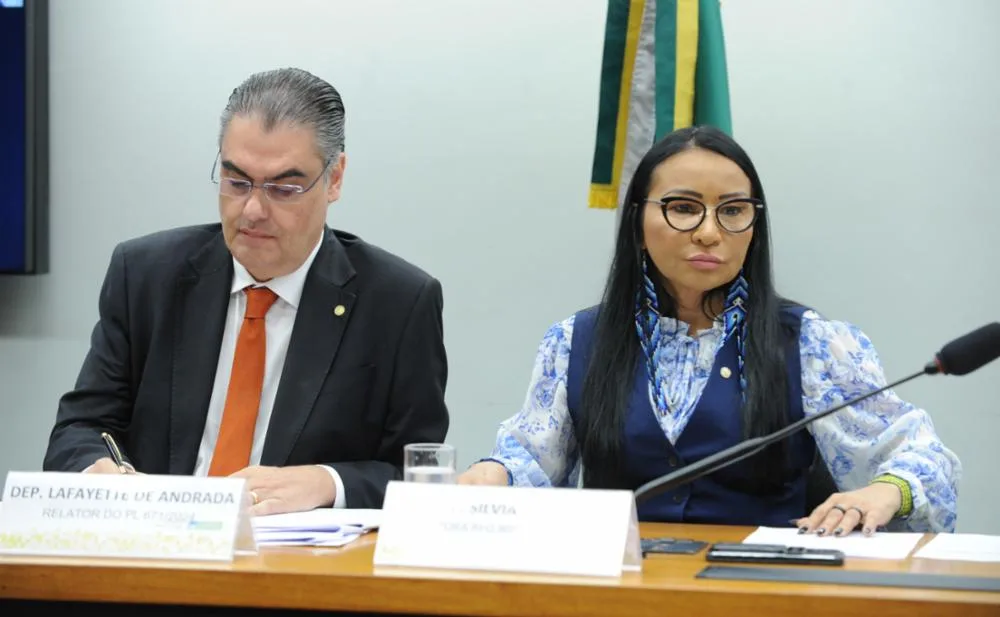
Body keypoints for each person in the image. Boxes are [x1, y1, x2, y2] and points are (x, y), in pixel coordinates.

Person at [458, 125, 960, 535]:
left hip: (763, 595)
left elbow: (920, 454)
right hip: (615, 589)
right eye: (683, 207)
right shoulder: (575, 341)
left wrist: (883, 491)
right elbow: (529, 461)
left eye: (733, 211)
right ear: (637, 222)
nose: (709, 232)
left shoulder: (811, 344)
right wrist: (492, 476)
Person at [43, 67, 449, 514]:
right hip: (156, 554)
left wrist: (327, 482)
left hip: (298, 570)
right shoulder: (145, 275)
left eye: (284, 188)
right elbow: (79, 430)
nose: (253, 210)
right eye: (237, 182)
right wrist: (98, 470)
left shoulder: (398, 303)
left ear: (334, 179)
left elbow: (419, 478)